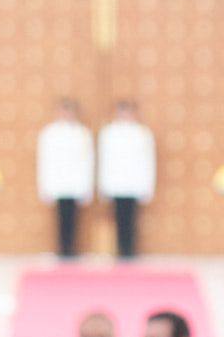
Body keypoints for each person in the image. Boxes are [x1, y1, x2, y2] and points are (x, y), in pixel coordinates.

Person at [99, 98, 156, 259]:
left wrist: (147, 186)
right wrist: (104, 186)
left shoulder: (143, 134)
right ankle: (119, 251)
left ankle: (130, 252)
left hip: (134, 183)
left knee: (132, 220)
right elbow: (105, 161)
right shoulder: (109, 133)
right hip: (116, 183)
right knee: (118, 219)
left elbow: (148, 162)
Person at [39, 97, 95, 261]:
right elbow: (45, 161)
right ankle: (61, 250)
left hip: (75, 183)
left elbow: (87, 161)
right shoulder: (49, 133)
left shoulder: (82, 133)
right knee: (60, 219)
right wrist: (45, 187)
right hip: (57, 182)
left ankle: (71, 250)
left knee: (74, 220)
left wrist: (87, 187)